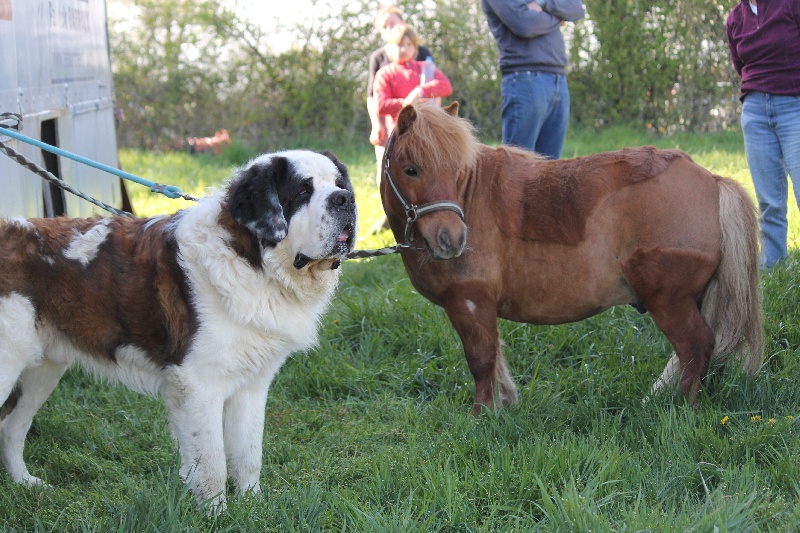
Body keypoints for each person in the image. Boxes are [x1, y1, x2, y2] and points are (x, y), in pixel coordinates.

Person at [726, 0, 800, 269]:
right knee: (769, 200)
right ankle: (775, 265)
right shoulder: (735, 18)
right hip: (755, 111)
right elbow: (740, 64)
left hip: (795, 104)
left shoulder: (790, 5)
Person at [481, 0, 585, 159]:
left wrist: (542, 4)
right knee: (517, 168)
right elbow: (524, 25)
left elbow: (576, 9)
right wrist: (558, 19)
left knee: (550, 171)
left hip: (558, 79)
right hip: (525, 79)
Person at [367, 6, 434, 187]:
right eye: (384, 26)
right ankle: (387, 211)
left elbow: (432, 88)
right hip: (387, 125)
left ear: (402, 23)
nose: (389, 28)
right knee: (385, 170)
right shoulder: (378, 58)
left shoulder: (422, 52)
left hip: (418, 123)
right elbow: (372, 97)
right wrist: (376, 125)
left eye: (392, 23)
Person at [373, 24, 452, 143]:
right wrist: (407, 104)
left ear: (415, 48)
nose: (404, 49)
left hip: (428, 132)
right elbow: (381, 105)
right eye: (399, 45)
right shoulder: (384, 74)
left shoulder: (426, 68)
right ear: (390, 48)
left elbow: (446, 86)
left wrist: (420, 92)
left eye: (409, 44)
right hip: (399, 134)